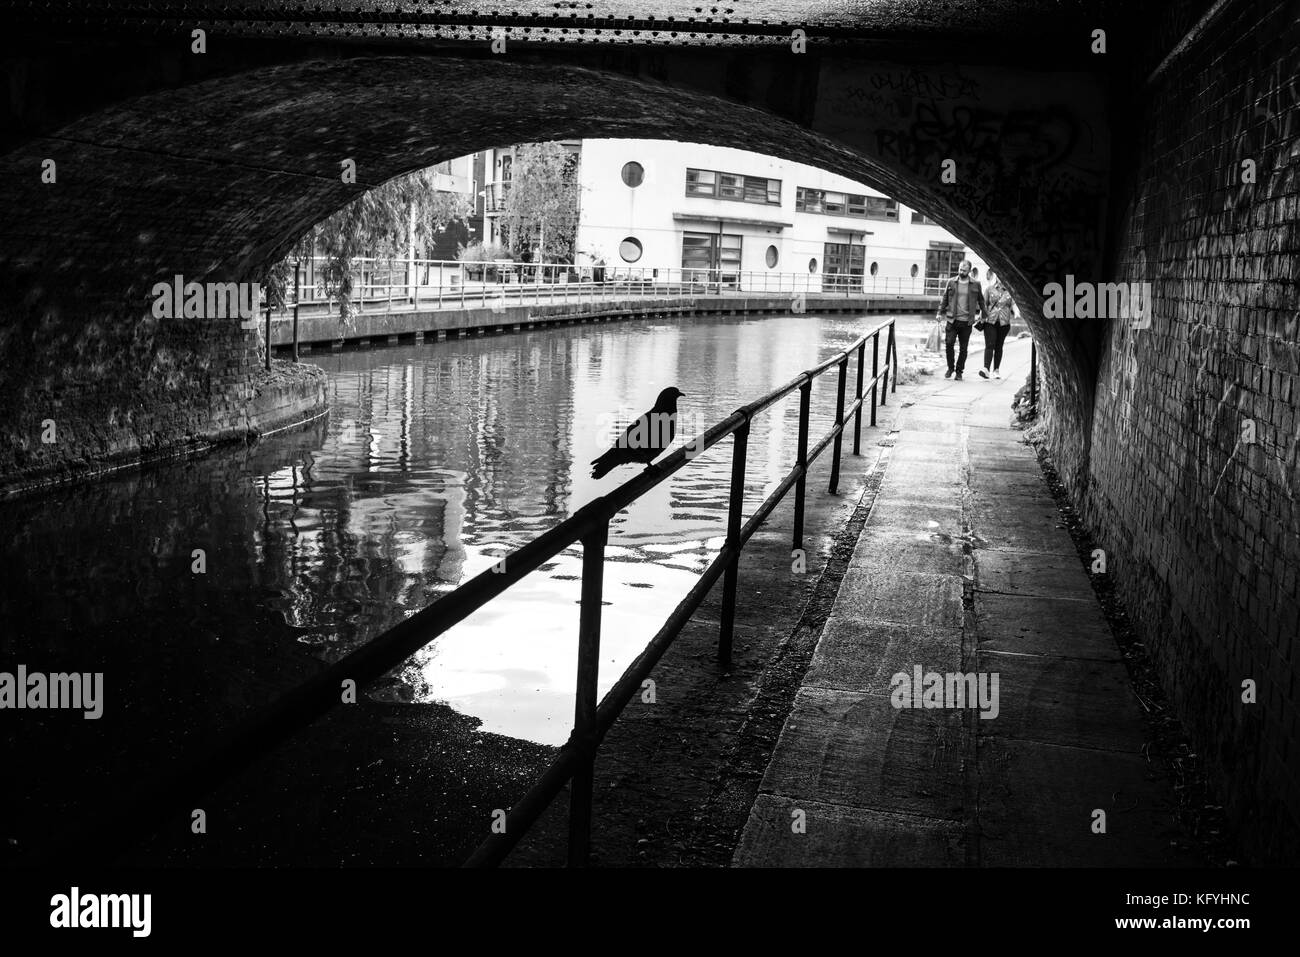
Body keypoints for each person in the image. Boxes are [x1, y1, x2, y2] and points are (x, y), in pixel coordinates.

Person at [936, 260, 987, 380]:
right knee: (949, 344)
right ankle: (950, 368)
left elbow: (981, 300)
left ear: (969, 271)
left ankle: (959, 371)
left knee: (963, 348)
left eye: (964, 270)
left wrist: (983, 314)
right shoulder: (951, 282)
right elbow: (944, 299)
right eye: (960, 269)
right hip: (952, 320)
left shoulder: (975, 284)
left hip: (967, 321)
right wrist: (939, 313)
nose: (961, 271)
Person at [980, 276, 1015, 380]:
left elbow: (1014, 305)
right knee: (990, 344)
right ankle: (986, 369)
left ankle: (996, 370)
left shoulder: (1011, 291)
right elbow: (984, 304)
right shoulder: (989, 289)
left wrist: (1017, 312)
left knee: (999, 346)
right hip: (990, 321)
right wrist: (982, 318)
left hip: (1004, 323)